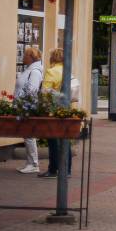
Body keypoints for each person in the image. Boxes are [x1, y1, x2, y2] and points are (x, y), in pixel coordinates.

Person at [39, 48, 72, 179]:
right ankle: (67, 170)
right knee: (65, 140)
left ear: (53, 58)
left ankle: (53, 170)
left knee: (53, 140)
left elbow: (45, 92)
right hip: (66, 110)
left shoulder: (51, 71)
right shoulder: (68, 71)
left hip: (53, 110)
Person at [14, 46, 44, 174]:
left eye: (25, 55)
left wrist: (23, 104)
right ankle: (30, 162)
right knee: (27, 135)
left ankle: (34, 163)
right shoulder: (31, 69)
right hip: (23, 106)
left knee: (29, 135)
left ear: (31, 57)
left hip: (27, 107)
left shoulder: (35, 71)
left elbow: (32, 90)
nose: (23, 57)